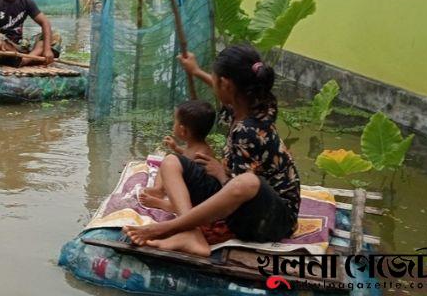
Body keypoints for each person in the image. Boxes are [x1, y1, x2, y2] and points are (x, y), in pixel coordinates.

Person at [125, 45, 301, 255]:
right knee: (172, 161)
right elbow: (227, 94)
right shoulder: (257, 102)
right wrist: (197, 71)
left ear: (226, 85)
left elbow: (241, 191)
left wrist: (221, 173)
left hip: (271, 218)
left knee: (247, 181)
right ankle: (190, 232)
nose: (214, 86)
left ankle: (172, 227)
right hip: (245, 201)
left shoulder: (249, 131)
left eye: (216, 80)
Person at [138, 100, 220, 257]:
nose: (173, 124)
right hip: (192, 184)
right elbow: (186, 159)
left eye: (175, 121)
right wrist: (176, 148)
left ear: (183, 131)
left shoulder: (203, 152)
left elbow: (192, 171)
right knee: (169, 160)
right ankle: (159, 190)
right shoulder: (194, 146)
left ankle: (162, 202)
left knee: (170, 162)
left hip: (196, 199)